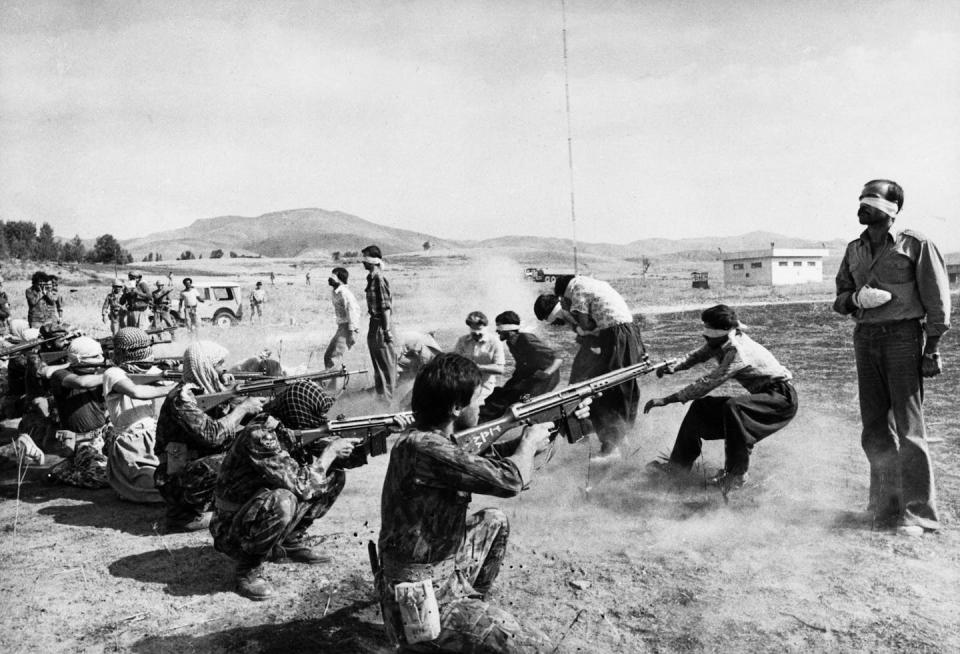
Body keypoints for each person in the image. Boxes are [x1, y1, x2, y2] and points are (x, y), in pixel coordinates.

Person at [376, 353, 591, 653]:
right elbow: (509, 480)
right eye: (477, 399)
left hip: (441, 571)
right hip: (419, 599)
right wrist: (528, 441)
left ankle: (469, 621)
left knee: (494, 520)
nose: (480, 406)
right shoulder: (427, 448)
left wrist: (555, 427)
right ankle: (432, 641)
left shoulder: (427, 440)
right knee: (529, 645)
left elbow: (492, 463)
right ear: (455, 407)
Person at [833, 179, 951, 535]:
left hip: (902, 338)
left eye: (870, 200)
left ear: (891, 208)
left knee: (909, 428)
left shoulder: (916, 244)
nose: (861, 206)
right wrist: (854, 301)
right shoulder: (854, 249)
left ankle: (918, 515)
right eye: (861, 199)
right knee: (874, 427)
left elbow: (937, 302)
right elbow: (840, 296)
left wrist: (931, 348)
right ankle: (884, 507)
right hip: (865, 338)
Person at [211, 381, 361, 600]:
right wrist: (329, 452)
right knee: (284, 500)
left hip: (252, 510)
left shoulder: (286, 426)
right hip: (231, 526)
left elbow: (332, 466)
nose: (319, 421)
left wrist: (364, 442)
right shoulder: (261, 434)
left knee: (333, 475)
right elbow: (303, 485)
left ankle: (290, 542)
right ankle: (247, 569)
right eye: (313, 414)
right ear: (297, 412)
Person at [643, 305, 798, 495]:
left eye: (709, 331)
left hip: (781, 400)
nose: (705, 336)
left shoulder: (737, 351)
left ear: (723, 332)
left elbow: (711, 381)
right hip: (765, 395)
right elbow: (698, 355)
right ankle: (677, 467)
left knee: (735, 408)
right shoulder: (720, 341)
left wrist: (669, 399)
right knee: (701, 408)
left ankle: (736, 475)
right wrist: (674, 367)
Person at [155, 341, 266, 532]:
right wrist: (243, 407)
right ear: (205, 367)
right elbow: (213, 435)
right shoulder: (182, 398)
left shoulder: (209, 392)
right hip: (178, 480)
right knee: (244, 455)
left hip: (195, 471)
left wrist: (235, 397)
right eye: (219, 364)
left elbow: (244, 421)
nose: (224, 369)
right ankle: (184, 516)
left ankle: (221, 505)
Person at [535, 275, 646, 462]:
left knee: (613, 388)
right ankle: (602, 437)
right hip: (614, 334)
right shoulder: (589, 288)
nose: (560, 325)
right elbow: (587, 332)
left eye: (557, 320)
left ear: (562, 299)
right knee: (589, 385)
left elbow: (586, 325)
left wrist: (579, 328)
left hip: (617, 334)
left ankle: (613, 445)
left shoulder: (577, 291)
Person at [102, 327, 172, 503]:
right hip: (130, 445)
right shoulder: (112, 373)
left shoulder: (149, 371)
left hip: (154, 439)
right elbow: (135, 391)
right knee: (154, 487)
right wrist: (171, 387)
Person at [43, 337, 110, 489]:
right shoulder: (60, 374)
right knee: (100, 477)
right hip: (80, 441)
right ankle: (61, 472)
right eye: (95, 357)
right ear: (78, 359)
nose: (101, 359)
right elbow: (82, 382)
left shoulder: (98, 373)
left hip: (104, 433)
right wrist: (113, 375)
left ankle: (80, 463)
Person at [479, 311, 562, 422]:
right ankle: (482, 419)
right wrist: (511, 384)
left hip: (545, 379)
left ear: (507, 328)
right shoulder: (511, 342)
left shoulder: (526, 338)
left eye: (499, 326)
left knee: (515, 401)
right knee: (499, 394)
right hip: (530, 376)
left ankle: (487, 422)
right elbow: (521, 366)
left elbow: (557, 357)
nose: (497, 330)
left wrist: (546, 373)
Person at [362, 245, 396, 402]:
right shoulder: (371, 278)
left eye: (366, 258)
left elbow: (385, 308)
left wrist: (387, 331)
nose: (363, 261)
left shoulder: (379, 279)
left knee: (386, 367)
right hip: (374, 324)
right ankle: (381, 400)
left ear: (374, 261)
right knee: (378, 366)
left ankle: (388, 403)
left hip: (381, 326)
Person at [453, 311, 505, 403]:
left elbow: (500, 369)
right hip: (464, 386)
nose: (477, 334)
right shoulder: (462, 341)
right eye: (473, 332)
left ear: (486, 328)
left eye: (480, 331)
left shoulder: (495, 342)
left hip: (484, 389)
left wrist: (477, 367)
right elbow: (454, 363)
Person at [323, 268, 361, 378]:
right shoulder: (336, 292)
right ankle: (331, 385)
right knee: (328, 356)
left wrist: (352, 331)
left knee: (333, 358)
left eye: (332, 277)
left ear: (340, 280)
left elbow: (353, 311)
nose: (329, 279)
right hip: (342, 327)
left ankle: (334, 388)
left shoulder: (344, 293)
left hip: (347, 328)